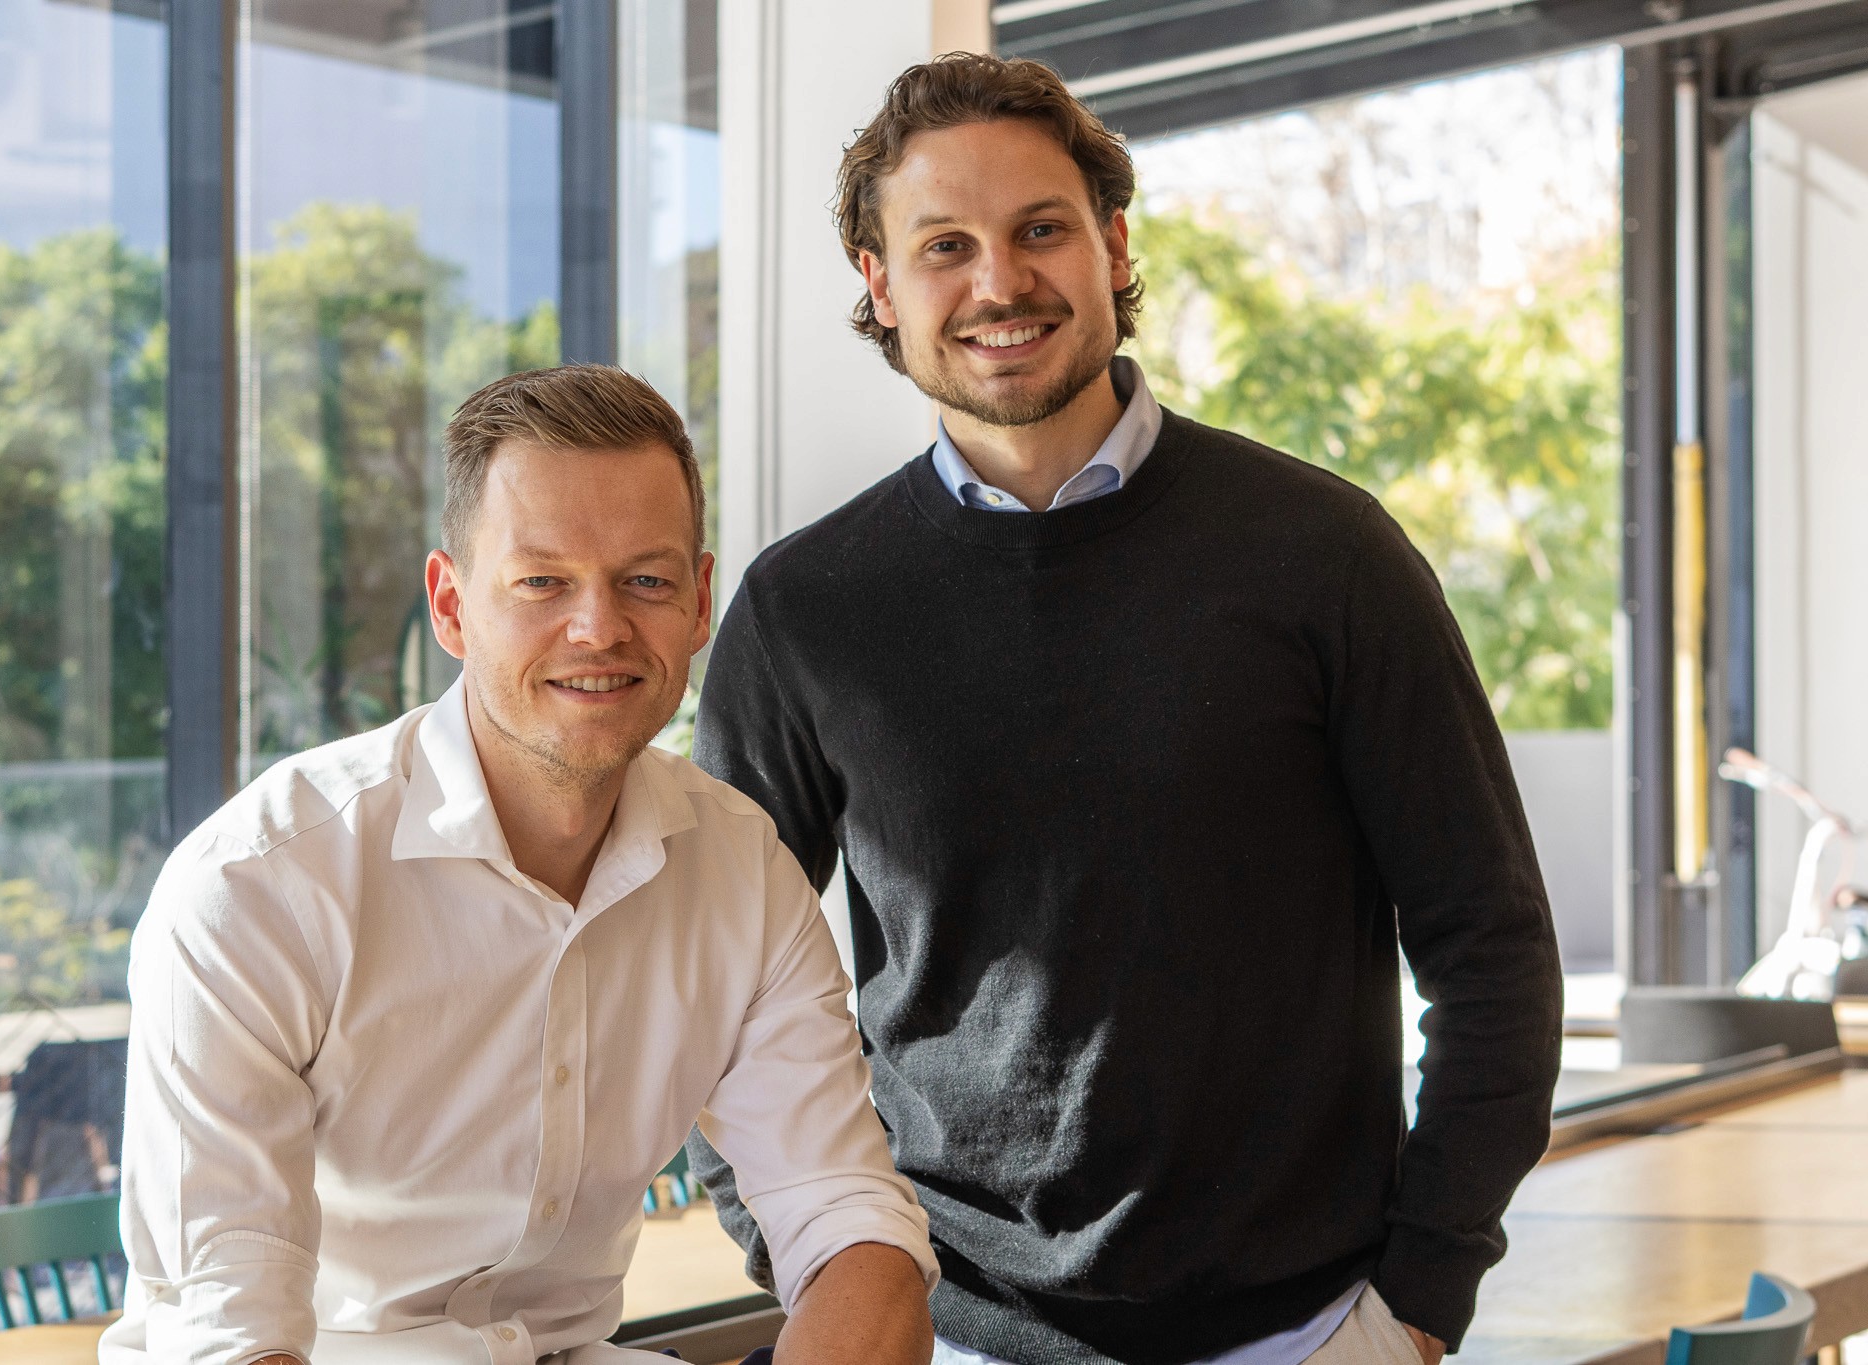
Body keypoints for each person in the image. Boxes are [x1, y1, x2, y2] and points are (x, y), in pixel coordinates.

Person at [685, 53, 1563, 1365]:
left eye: (1040, 229)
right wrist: (827, 1273)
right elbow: (709, 997)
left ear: (1111, 243)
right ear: (880, 283)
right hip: (948, 1334)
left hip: (1307, 1335)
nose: (999, 283)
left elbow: (1489, 948)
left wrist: (1417, 1306)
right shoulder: (804, 610)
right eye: (945, 246)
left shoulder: (1327, 556)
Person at [104, 365, 938, 1365]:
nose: (599, 628)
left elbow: (846, 1219)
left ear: (699, 603)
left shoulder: (740, 871)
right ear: (451, 607)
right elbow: (232, 1340)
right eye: (542, 581)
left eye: (645, 580)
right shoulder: (258, 887)